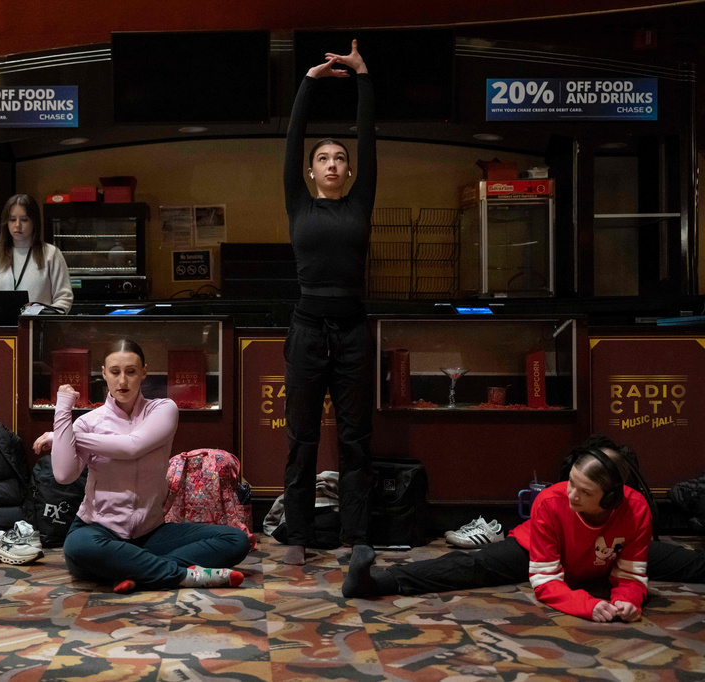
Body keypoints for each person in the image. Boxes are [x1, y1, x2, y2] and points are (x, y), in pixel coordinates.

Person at [343, 436, 705, 622]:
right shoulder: (550, 501)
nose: (571, 494)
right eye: (571, 482)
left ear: (611, 499)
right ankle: (374, 582)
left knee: (686, 563)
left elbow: (631, 575)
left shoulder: (635, 509)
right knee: (470, 566)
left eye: (584, 491)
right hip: (542, 551)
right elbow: (546, 583)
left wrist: (628, 601)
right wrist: (588, 605)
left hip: (605, 557)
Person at [32, 338, 250, 593]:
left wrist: (63, 436)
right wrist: (63, 412)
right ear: (104, 374)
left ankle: (137, 572)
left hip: (151, 534)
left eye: (131, 371)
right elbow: (63, 475)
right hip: (98, 531)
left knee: (235, 540)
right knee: (79, 548)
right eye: (115, 372)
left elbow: (132, 446)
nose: (122, 381)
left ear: (144, 372)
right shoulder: (88, 423)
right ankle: (182, 575)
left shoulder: (163, 410)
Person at [281, 39, 377, 565]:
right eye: (324, 159)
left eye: (341, 158)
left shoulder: (361, 202)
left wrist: (363, 77)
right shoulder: (298, 203)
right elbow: (293, 138)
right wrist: (309, 82)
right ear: (312, 171)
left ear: (350, 170)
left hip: (353, 330)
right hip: (307, 329)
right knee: (301, 437)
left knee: (356, 437)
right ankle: (297, 533)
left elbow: (368, 135)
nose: (333, 164)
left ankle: (355, 533)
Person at [0, 193, 74, 313]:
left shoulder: (51, 254)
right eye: (12, 220)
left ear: (34, 222)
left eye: (24, 220)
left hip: (38, 323)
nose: (17, 225)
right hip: (1, 324)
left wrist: (40, 316)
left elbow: (64, 299)